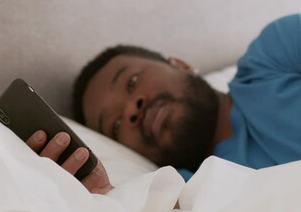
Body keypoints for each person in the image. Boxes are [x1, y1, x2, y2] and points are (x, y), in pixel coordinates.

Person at [26, 13, 301, 194]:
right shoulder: (184, 192)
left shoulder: (273, 56)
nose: (131, 109)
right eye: (117, 125)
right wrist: (101, 199)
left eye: (132, 82)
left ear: (180, 64)